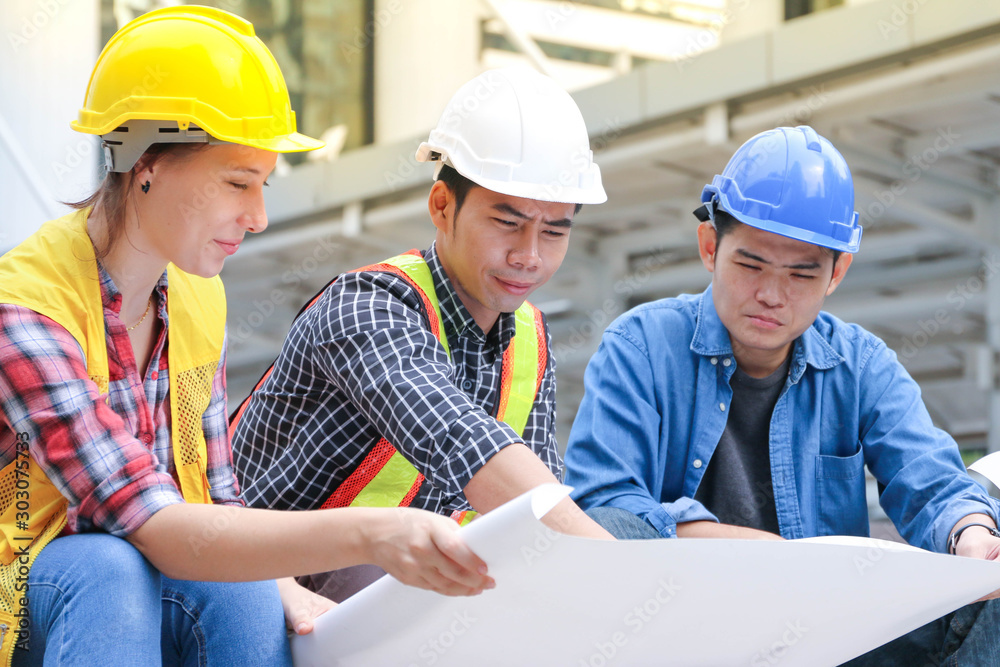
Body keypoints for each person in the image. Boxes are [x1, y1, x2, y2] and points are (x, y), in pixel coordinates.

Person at [0, 7, 492, 666]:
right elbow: (156, 524)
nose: (257, 216)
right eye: (238, 182)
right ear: (147, 162)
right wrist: (374, 532)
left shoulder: (198, 295)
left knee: (246, 596)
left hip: (131, 580)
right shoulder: (27, 310)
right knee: (107, 567)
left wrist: (282, 585)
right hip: (26, 598)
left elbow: (212, 501)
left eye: (262, 184)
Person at [564, 125, 1000, 665]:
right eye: (750, 265)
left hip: (830, 635)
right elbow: (602, 508)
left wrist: (972, 534)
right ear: (709, 247)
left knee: (991, 585)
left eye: (801, 273)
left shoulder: (862, 365)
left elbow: (932, 482)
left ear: (836, 273)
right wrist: (761, 556)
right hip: (682, 628)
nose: (771, 295)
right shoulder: (641, 346)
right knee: (602, 531)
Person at [230, 66, 614, 601]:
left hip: (377, 581)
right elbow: (457, 437)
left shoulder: (530, 341)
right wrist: (616, 571)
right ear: (441, 206)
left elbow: (534, 513)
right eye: (508, 223)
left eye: (553, 231)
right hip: (251, 581)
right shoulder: (365, 307)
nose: (529, 255)